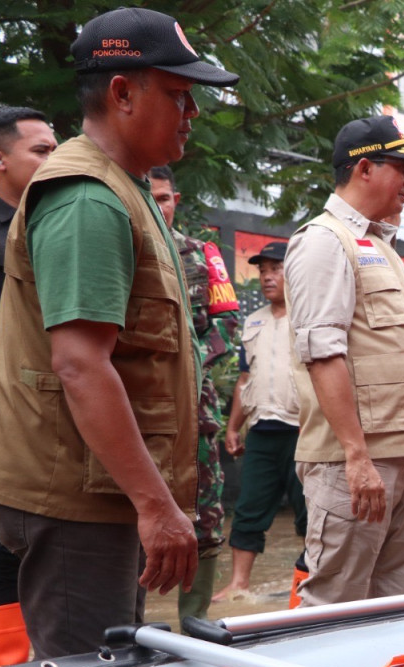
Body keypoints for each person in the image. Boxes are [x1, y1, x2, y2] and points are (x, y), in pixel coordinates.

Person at [0, 8, 239, 658]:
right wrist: (156, 507)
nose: (192, 114)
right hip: (77, 501)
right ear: (123, 93)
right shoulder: (88, 197)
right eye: (178, 96)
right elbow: (80, 365)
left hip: (103, 489)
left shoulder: (125, 188)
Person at [284, 116, 404, 606]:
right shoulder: (324, 242)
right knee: (335, 603)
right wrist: (356, 456)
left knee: (398, 604)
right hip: (356, 463)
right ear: (365, 168)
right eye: (403, 168)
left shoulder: (380, 245)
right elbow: (323, 355)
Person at [0, 106, 57, 665]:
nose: (55, 159)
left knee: (64, 533)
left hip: (70, 399)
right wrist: (12, 350)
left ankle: (71, 659)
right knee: (2, 537)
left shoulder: (62, 220)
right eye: (41, 151)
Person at [147, 165, 241, 624]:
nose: (157, 205)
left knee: (204, 506)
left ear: (176, 200)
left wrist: (187, 361)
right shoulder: (117, 247)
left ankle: (196, 625)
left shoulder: (201, 255)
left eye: (164, 198)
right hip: (130, 401)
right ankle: (127, 627)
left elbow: (227, 324)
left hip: (195, 407)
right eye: (149, 196)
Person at [217, 241, 309, 604]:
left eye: (276, 269)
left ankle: (310, 583)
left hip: (305, 432)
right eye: (263, 270)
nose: (268, 277)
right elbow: (245, 379)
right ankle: (239, 583)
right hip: (262, 432)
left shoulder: (309, 317)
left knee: (310, 512)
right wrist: (233, 426)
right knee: (248, 508)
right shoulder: (253, 322)